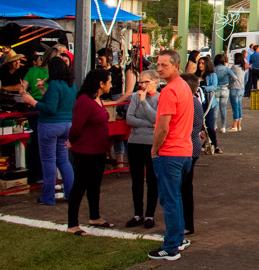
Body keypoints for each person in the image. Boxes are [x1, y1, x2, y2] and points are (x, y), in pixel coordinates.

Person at [150, 49, 195, 260]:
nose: (159, 69)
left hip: (171, 152)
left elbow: (163, 127)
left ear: (176, 66)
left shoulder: (169, 91)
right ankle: (177, 239)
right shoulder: (184, 87)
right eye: (158, 65)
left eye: (164, 65)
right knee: (175, 197)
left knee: (170, 199)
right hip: (184, 151)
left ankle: (171, 246)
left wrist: (154, 149)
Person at [19, 56, 75, 206]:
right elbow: (54, 102)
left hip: (49, 126)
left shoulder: (55, 84)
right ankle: (71, 194)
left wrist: (32, 101)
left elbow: (50, 108)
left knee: (48, 161)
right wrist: (43, 90)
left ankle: (48, 197)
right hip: (66, 125)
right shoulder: (71, 85)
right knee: (63, 160)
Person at [66, 68, 114, 235]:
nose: (111, 85)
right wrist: (72, 142)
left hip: (98, 149)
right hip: (86, 151)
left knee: (95, 185)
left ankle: (95, 216)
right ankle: (72, 223)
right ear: (101, 84)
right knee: (80, 185)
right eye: (109, 82)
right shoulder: (85, 101)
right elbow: (76, 127)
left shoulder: (97, 99)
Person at [124, 69, 160, 229]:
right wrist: (148, 123)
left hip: (152, 143)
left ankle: (150, 215)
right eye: (140, 82)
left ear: (155, 82)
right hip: (135, 142)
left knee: (152, 180)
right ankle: (138, 213)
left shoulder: (160, 98)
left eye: (146, 82)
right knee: (136, 180)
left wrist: (144, 102)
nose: (142, 85)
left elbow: (157, 118)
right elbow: (130, 119)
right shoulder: (134, 97)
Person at [179, 73, 205, 238]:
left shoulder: (191, 103)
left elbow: (191, 128)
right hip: (189, 147)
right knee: (183, 187)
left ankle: (188, 225)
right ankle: (185, 223)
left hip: (189, 148)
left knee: (185, 188)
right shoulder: (192, 101)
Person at [197, 55, 220, 154]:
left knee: (210, 125)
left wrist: (203, 88)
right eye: (199, 63)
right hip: (198, 103)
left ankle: (215, 144)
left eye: (203, 63)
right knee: (199, 125)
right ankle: (200, 144)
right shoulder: (195, 75)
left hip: (209, 103)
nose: (200, 65)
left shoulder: (212, 75)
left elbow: (214, 86)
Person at [212, 54, 234, 133]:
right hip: (224, 89)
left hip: (215, 89)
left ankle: (214, 125)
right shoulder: (226, 69)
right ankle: (223, 127)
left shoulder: (213, 69)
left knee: (215, 109)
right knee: (223, 108)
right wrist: (230, 83)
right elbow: (234, 77)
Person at [228, 51, 246, 132]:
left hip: (234, 88)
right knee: (239, 106)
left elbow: (229, 76)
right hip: (241, 88)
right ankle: (239, 125)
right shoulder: (243, 67)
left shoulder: (234, 67)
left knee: (235, 107)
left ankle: (234, 125)